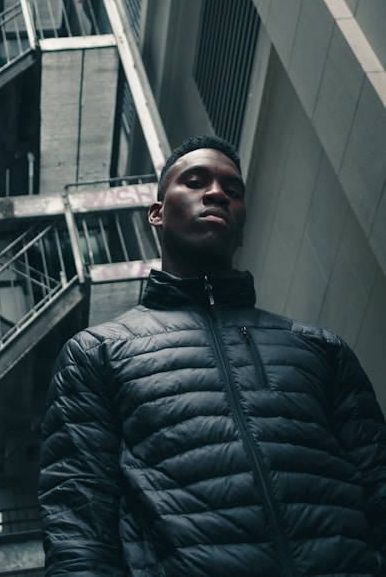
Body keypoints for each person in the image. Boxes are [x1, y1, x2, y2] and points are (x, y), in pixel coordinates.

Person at [39, 134, 386, 577]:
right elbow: (79, 520)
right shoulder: (98, 352)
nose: (218, 193)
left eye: (233, 191)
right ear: (157, 214)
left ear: (241, 226)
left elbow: (378, 485)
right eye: (196, 181)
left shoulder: (320, 347)